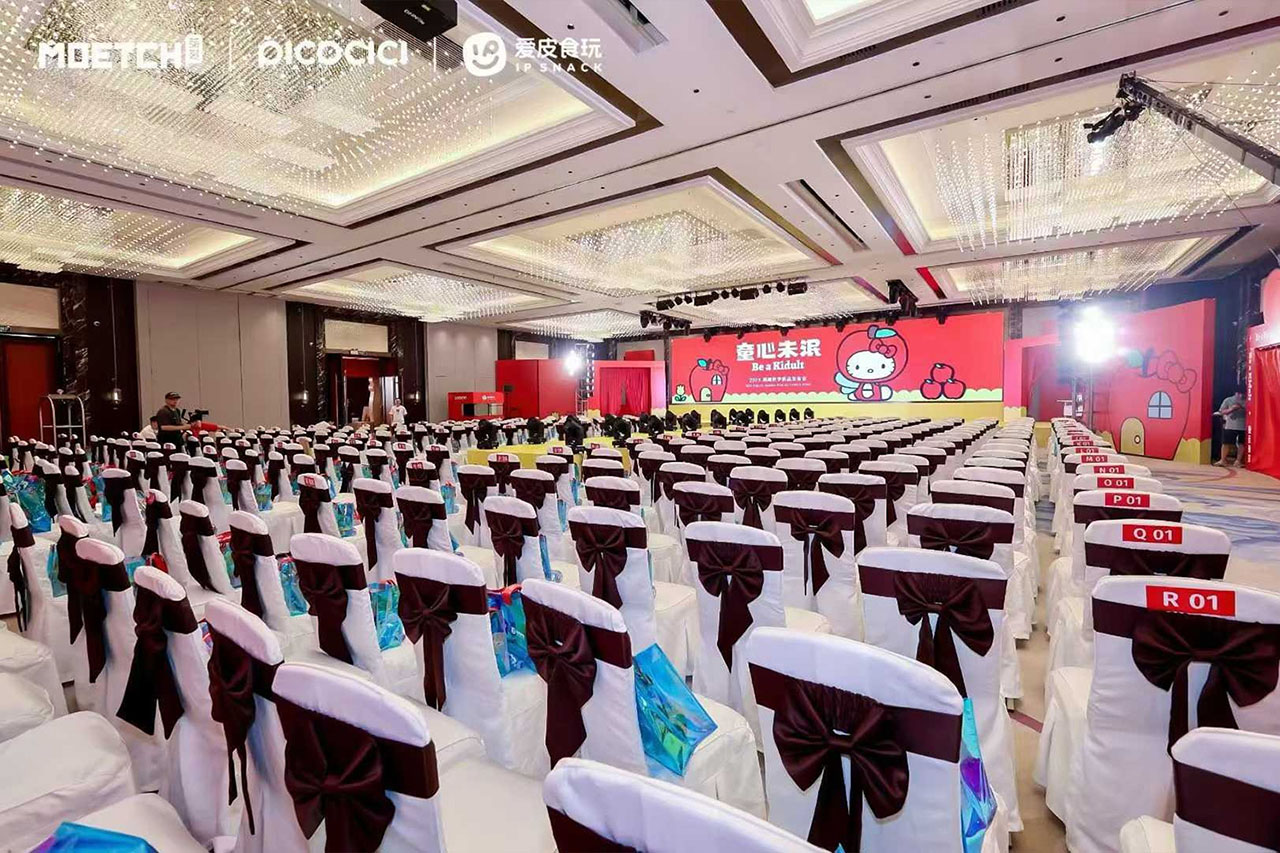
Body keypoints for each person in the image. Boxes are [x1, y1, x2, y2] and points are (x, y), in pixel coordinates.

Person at [1213, 389, 1247, 467]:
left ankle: (1238, 461)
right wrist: (1231, 409)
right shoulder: (1228, 400)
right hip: (1230, 425)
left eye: (1243, 394)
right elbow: (1221, 411)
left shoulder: (1248, 400)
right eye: (1239, 394)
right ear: (1235, 393)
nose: (1241, 396)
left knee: (1242, 444)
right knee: (1226, 443)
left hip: (1243, 426)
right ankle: (1222, 460)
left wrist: (1243, 408)